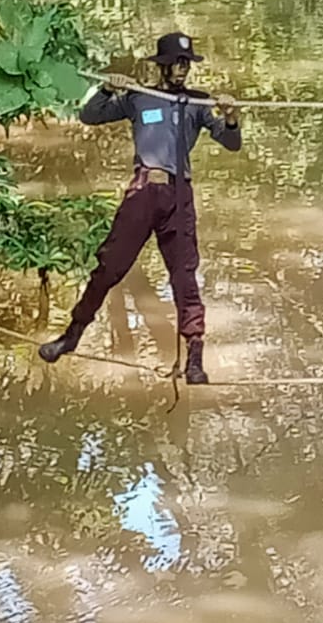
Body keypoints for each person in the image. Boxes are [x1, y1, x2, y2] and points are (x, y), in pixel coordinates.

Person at [38, 32, 244, 384]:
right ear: (162, 66)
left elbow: (231, 142)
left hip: (179, 196)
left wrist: (231, 117)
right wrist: (108, 89)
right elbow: (90, 116)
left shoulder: (197, 103)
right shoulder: (139, 98)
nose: (182, 69)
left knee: (184, 276)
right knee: (109, 266)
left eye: (186, 63)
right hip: (144, 190)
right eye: (176, 63)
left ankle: (195, 359)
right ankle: (71, 336)